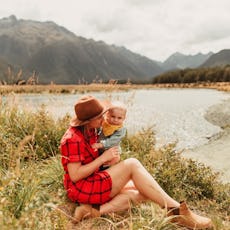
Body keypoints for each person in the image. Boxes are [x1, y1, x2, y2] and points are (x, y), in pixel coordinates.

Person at [60, 95, 212, 229]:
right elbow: (75, 175)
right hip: (80, 187)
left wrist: (111, 159)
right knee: (132, 164)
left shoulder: (91, 130)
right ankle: (178, 212)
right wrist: (103, 158)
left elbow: (95, 158)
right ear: (88, 120)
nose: (104, 119)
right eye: (100, 116)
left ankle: (91, 211)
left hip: (93, 177)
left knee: (145, 191)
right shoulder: (72, 139)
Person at [92, 100, 127, 170]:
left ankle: (108, 167)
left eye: (119, 118)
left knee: (114, 159)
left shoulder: (121, 129)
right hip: (100, 149)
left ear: (124, 118)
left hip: (111, 149)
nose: (115, 120)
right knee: (97, 161)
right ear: (107, 114)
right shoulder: (105, 123)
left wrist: (100, 145)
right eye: (113, 116)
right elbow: (98, 130)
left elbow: (113, 141)